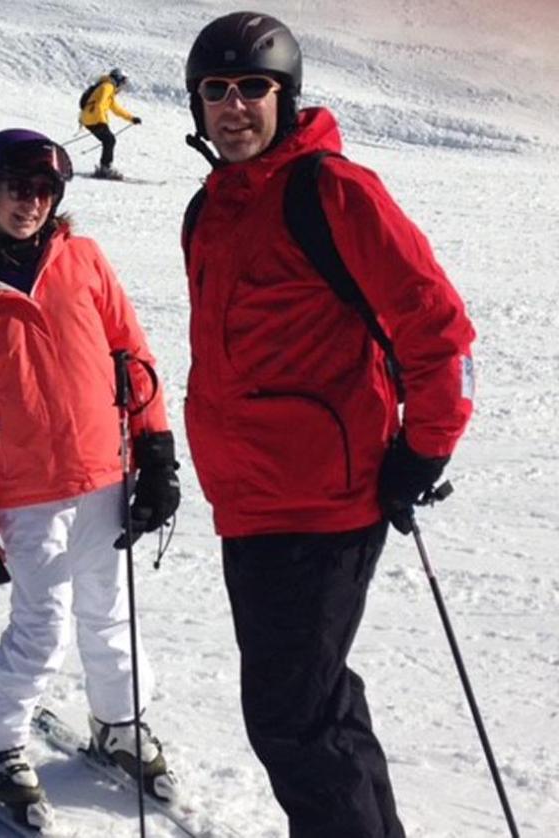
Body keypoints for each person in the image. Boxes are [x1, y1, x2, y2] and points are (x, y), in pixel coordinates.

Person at [181, 12, 476, 838]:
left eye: (253, 89)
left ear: (286, 96)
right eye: (217, 90)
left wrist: (424, 448)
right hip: (252, 503)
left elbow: (441, 331)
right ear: (197, 102)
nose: (234, 107)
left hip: (322, 505)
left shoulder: (333, 190)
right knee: (318, 708)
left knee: (292, 722)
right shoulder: (209, 210)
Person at [0, 128, 181, 824]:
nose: (31, 203)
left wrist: (156, 452)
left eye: (43, 191)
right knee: (43, 627)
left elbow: (134, 356)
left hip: (105, 472)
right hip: (27, 493)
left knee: (109, 611)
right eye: (16, 189)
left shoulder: (85, 260)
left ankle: (119, 722)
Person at [78, 67, 142, 180]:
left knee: (108, 140)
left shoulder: (108, 88)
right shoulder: (107, 86)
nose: (122, 85)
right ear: (117, 78)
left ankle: (104, 167)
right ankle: (105, 168)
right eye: (122, 81)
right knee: (109, 140)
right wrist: (102, 121)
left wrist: (132, 118)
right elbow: (100, 104)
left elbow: (116, 109)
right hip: (94, 118)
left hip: (89, 118)